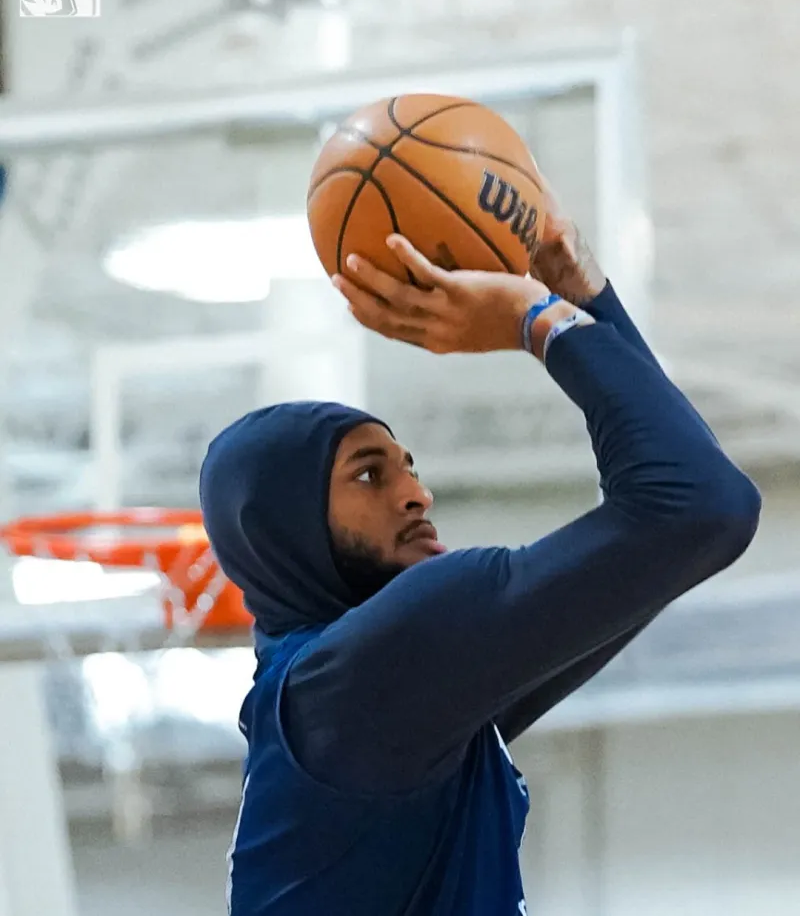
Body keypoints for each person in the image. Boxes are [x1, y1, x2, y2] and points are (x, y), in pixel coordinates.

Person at [199, 192, 761, 915]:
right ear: (283, 525)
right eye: (371, 474)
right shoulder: (368, 678)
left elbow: (692, 524)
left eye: (410, 466)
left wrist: (579, 298)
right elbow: (701, 508)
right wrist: (536, 318)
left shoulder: (363, 686)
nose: (416, 494)